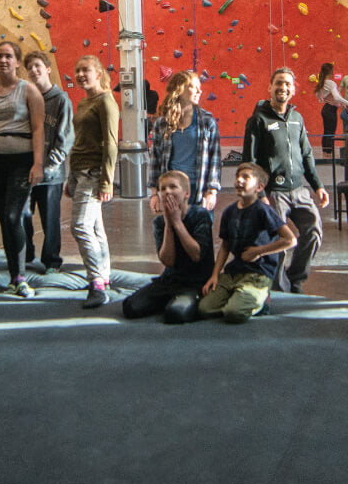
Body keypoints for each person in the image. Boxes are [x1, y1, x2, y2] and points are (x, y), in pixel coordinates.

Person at [241, 67, 329, 294]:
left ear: (293, 89)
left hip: (299, 190)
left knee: (313, 232)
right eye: (279, 83)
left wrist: (318, 186)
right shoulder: (258, 119)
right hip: (272, 192)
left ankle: (295, 279)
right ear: (270, 88)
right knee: (278, 242)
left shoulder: (297, 119)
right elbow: (249, 161)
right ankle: (279, 287)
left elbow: (307, 154)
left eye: (288, 84)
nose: (283, 88)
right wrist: (259, 195)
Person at [0, 42, 45, 299]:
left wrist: (38, 164)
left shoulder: (29, 90)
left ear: (16, 62)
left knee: (14, 216)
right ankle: (14, 276)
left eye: (9, 56)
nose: (3, 59)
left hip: (22, 160)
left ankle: (22, 276)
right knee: (4, 218)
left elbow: (38, 129)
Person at [199, 163, 297, 323]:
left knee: (234, 313)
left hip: (258, 273)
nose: (239, 180)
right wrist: (215, 275)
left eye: (246, 177)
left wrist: (259, 251)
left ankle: (261, 299)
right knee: (205, 308)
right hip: (234, 272)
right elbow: (225, 246)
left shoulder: (263, 210)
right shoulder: (229, 211)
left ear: (259, 187)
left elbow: (290, 240)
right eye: (238, 176)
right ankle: (238, 295)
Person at [122, 171, 216, 324]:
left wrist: (177, 222)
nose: (167, 192)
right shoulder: (159, 222)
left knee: (175, 314)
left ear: (187, 193)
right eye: (163, 189)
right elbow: (168, 260)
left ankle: (186, 302)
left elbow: (196, 255)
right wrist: (169, 224)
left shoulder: (200, 215)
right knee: (130, 307)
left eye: (173, 187)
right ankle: (171, 300)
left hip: (195, 283)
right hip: (170, 280)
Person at [65, 56, 119, 309]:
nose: (80, 74)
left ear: (98, 73)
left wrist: (107, 181)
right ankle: (104, 276)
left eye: (85, 70)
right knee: (96, 228)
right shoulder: (83, 102)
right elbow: (80, 141)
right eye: (77, 70)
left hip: (94, 173)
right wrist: (70, 175)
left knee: (80, 226)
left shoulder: (106, 101)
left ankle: (96, 281)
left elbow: (111, 144)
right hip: (78, 171)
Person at [22, 50, 74, 272]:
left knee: (50, 220)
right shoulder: (26, 98)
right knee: (23, 215)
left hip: (51, 173)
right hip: (26, 170)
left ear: (47, 68)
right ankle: (26, 254)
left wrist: (48, 165)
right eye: (30, 68)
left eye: (37, 66)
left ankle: (52, 260)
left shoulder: (61, 99)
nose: (34, 71)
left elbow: (66, 137)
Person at [146, 70, 220, 217]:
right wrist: (154, 194)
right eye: (193, 86)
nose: (200, 90)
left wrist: (212, 192)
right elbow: (155, 160)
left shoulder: (207, 122)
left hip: (198, 190)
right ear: (179, 90)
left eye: (200, 86)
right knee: (173, 236)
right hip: (172, 190)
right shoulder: (162, 124)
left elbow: (215, 160)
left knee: (199, 237)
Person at [314, 61, 348, 154]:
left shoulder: (322, 82)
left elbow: (317, 93)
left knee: (327, 131)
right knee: (331, 132)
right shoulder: (331, 83)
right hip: (330, 110)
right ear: (330, 72)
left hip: (326, 109)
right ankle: (329, 153)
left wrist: (321, 100)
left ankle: (325, 152)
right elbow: (337, 97)